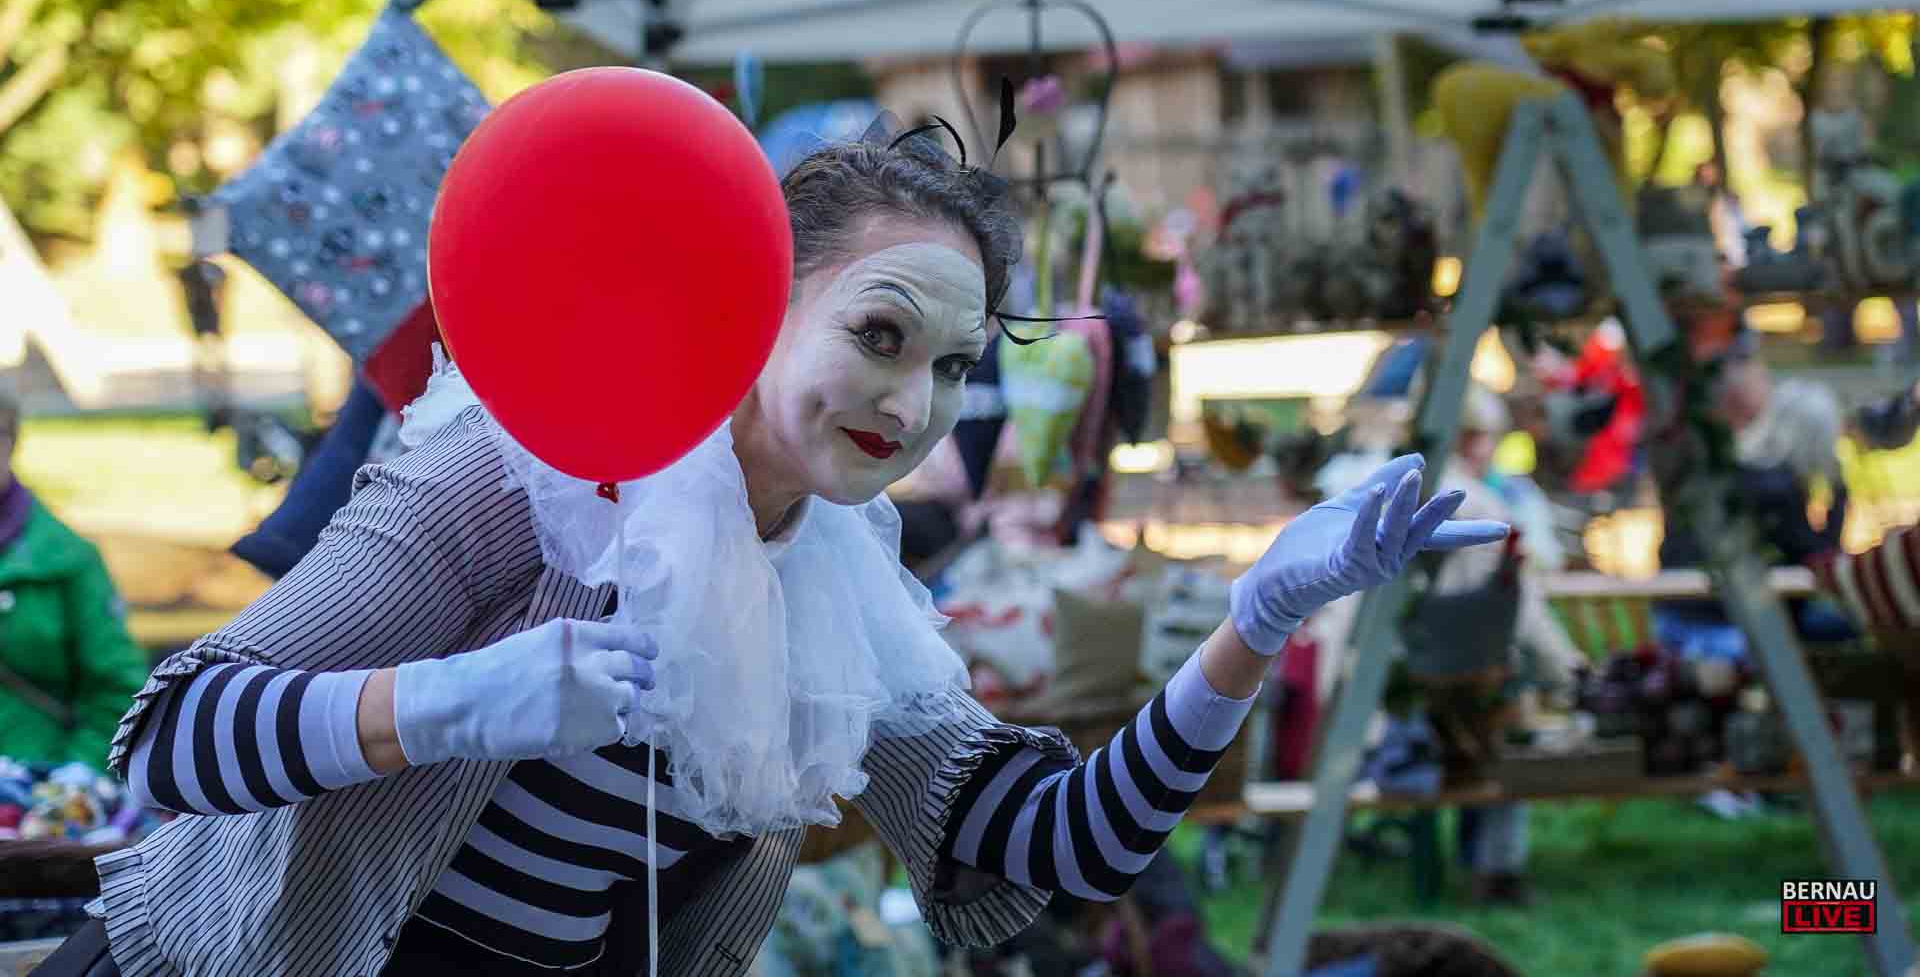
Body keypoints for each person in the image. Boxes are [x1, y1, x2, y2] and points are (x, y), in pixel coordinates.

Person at [37, 121, 1505, 977]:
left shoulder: (844, 586)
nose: (913, 402)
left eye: (951, 366)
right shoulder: (522, 480)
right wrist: (458, 699)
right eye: (879, 335)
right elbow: (170, 739)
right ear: (746, 308)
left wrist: (1250, 626)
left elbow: (1058, 849)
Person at [1425, 385, 1587, 907]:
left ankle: (1471, 863)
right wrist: (1569, 673)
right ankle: (1496, 875)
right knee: (1510, 729)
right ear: (1472, 439)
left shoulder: (1401, 486)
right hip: (1472, 673)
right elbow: (1519, 610)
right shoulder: (1482, 504)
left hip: (1404, 676)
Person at [1657, 347, 1852, 656]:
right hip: (1721, 629)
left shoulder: (1729, 468)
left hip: (1678, 615)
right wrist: (1840, 494)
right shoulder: (1775, 488)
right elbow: (1818, 559)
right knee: (1854, 627)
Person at [0, 387, 149, 773]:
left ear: (11, 442)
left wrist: (67, 781)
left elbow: (118, 690)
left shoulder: (68, 559)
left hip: (31, 799)